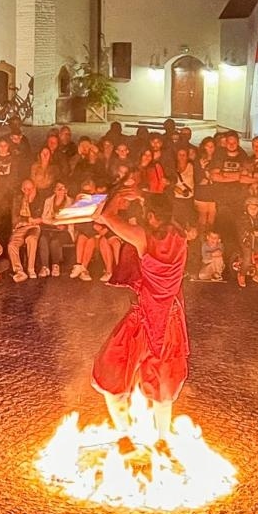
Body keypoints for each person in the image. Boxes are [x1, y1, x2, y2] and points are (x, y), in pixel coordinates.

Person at [89, 189, 189, 453]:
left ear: (152, 217)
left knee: (112, 371)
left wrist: (120, 196)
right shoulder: (181, 235)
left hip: (144, 321)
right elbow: (161, 212)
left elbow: (106, 217)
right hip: (170, 320)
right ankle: (163, 439)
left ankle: (124, 436)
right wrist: (144, 195)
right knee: (163, 383)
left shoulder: (143, 238)